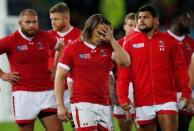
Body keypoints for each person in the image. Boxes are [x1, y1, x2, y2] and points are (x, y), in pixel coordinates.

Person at [117, 4, 192, 131]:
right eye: (139, 17)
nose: (141, 20)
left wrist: (186, 92)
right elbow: (123, 73)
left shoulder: (169, 41)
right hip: (142, 101)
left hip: (167, 100)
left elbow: (181, 69)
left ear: (156, 20)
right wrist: (123, 97)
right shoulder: (129, 43)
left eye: (145, 17)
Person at [54, 14, 130, 130]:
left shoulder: (108, 47)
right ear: (90, 28)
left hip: (105, 104)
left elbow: (125, 62)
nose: (102, 37)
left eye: (105, 34)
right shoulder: (72, 48)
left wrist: (112, 39)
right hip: (82, 104)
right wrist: (60, 105)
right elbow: (60, 77)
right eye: (99, 33)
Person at [0, 9, 63, 131]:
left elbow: (60, 47)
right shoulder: (11, 40)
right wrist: (3, 75)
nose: (32, 25)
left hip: (47, 93)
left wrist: (56, 67)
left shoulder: (45, 37)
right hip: (23, 94)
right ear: (20, 23)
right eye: (27, 22)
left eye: (34, 22)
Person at [48, 2, 81, 129]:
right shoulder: (47, 37)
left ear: (66, 18)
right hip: (52, 91)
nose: (53, 22)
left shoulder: (80, 36)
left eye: (56, 19)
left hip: (73, 90)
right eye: (51, 19)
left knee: (77, 127)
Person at [162, 9, 194, 131]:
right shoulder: (161, 39)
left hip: (187, 92)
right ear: (175, 20)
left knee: (184, 126)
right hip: (165, 93)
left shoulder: (191, 43)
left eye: (189, 19)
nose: (189, 22)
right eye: (185, 19)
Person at [113, 12, 136, 131]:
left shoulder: (145, 43)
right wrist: (114, 94)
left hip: (141, 89)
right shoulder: (117, 45)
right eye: (130, 25)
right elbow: (109, 71)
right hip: (123, 88)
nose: (133, 28)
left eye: (135, 25)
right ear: (124, 26)